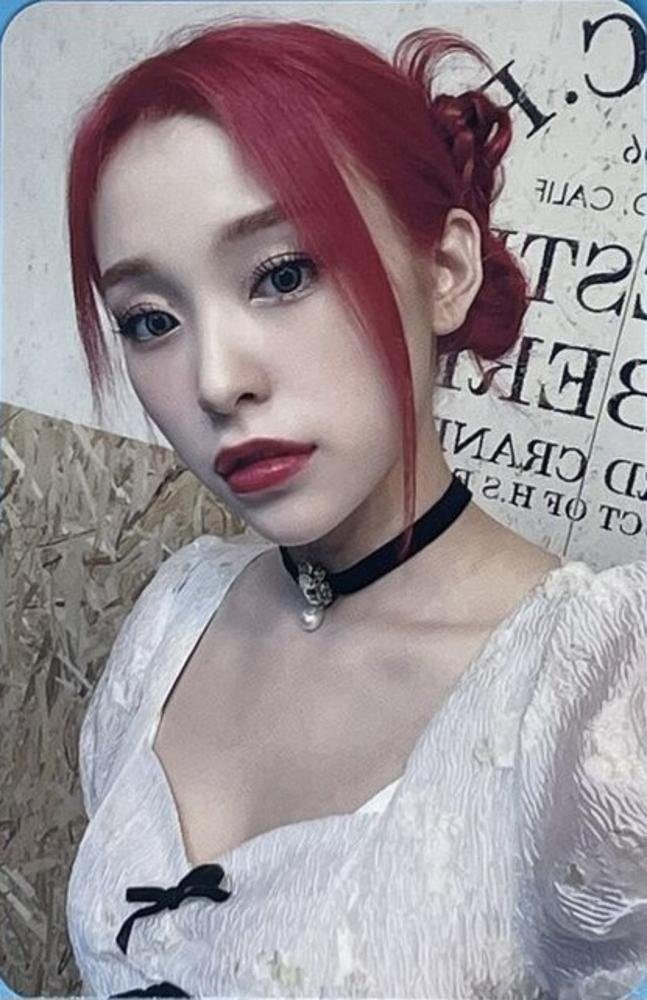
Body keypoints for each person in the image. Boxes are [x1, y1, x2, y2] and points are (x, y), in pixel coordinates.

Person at [64, 16, 647, 1000]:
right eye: (149, 320)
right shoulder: (173, 620)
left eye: (283, 273)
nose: (215, 381)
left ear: (444, 271)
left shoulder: (594, 699)